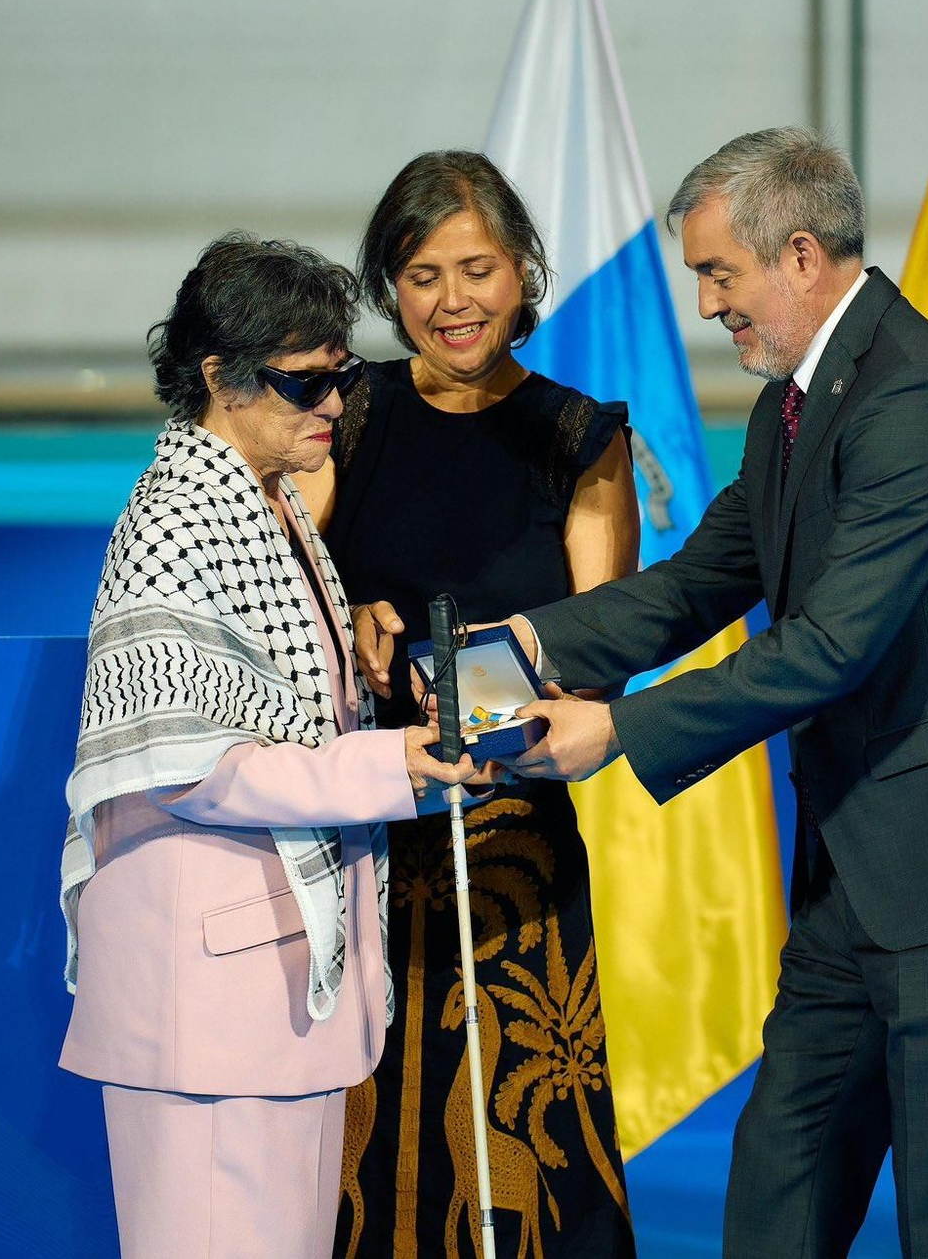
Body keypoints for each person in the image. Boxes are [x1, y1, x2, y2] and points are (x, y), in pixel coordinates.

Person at [502, 128, 928, 1258]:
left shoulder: (921, 395)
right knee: (782, 1176)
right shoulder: (789, 405)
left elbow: (830, 645)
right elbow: (701, 581)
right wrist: (522, 644)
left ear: (799, 255)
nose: (706, 305)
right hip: (864, 862)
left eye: (718, 274)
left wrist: (620, 728)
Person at [57, 233, 493, 1259]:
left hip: (270, 997)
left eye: (342, 376)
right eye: (304, 382)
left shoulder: (276, 501)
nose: (333, 404)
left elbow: (283, 705)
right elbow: (197, 766)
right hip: (205, 1011)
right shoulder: (174, 523)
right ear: (220, 377)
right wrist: (395, 766)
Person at [292, 150, 641, 1259]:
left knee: (520, 1149)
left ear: (522, 268)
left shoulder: (580, 437)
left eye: (476, 268)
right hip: (358, 837)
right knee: (352, 1154)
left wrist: (488, 692)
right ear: (389, 289)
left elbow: (602, 654)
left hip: (510, 849)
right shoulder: (345, 416)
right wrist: (347, 622)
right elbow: (281, 602)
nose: (453, 300)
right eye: (422, 275)